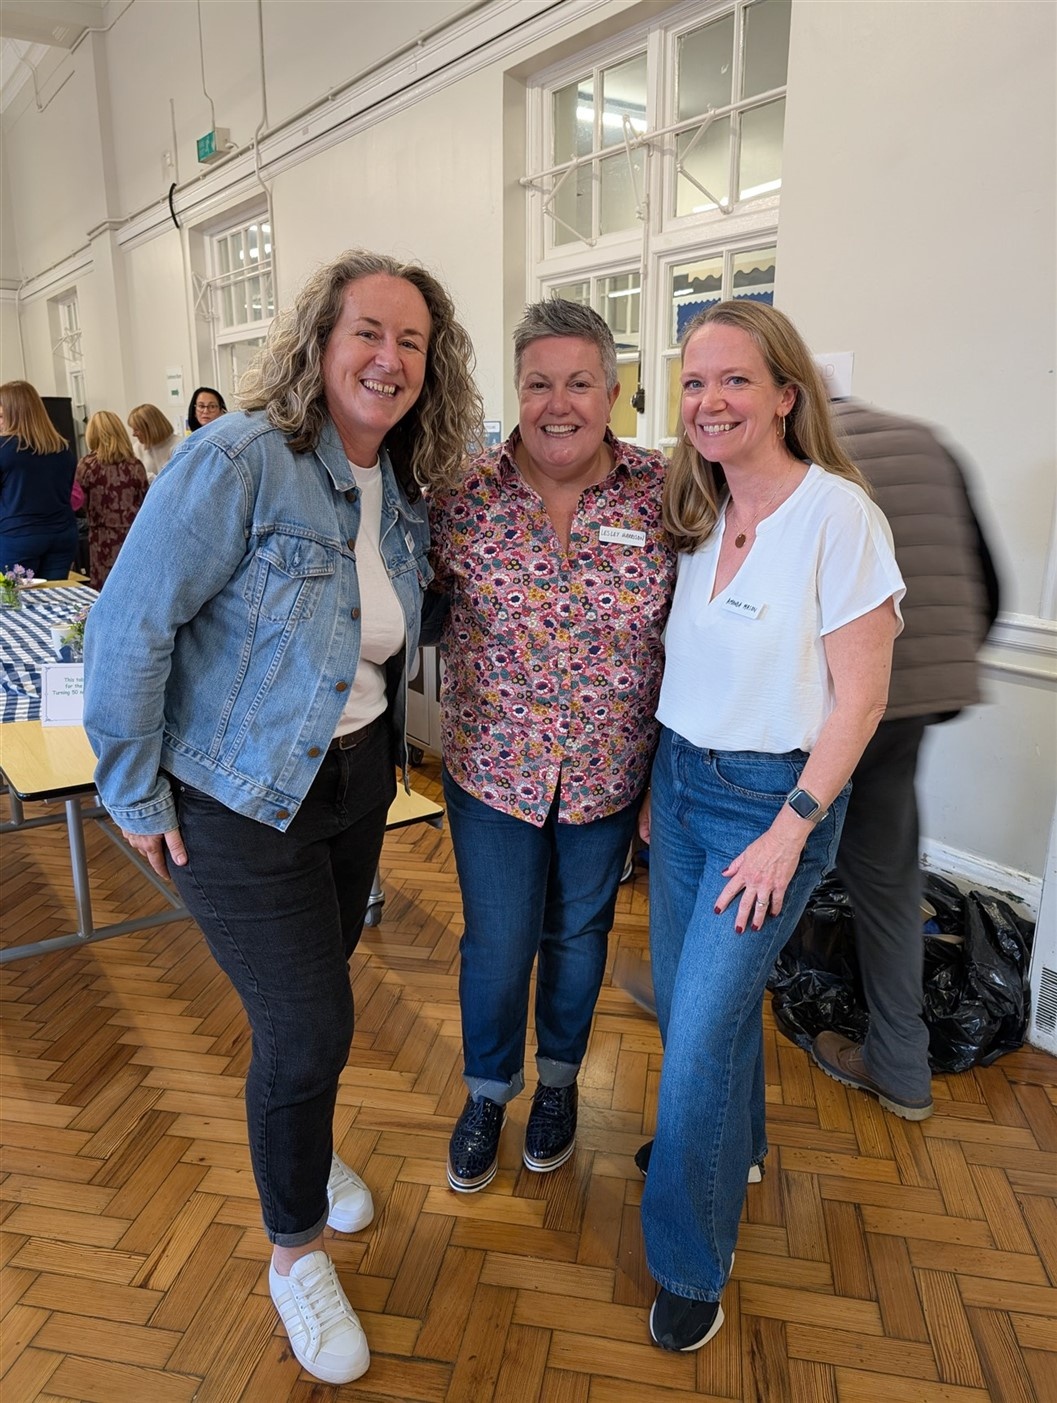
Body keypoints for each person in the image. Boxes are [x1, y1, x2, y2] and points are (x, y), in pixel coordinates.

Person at [83, 250, 482, 1386]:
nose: (389, 358)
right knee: (309, 1028)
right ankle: (293, 1249)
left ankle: (302, 1149)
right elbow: (130, 623)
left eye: (412, 341)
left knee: (313, 1004)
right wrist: (131, 787)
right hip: (236, 794)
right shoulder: (241, 457)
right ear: (319, 341)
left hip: (355, 785)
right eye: (369, 332)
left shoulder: (397, 477)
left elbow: (388, 630)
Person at [638, 301, 904, 1353]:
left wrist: (792, 827)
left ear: (787, 394)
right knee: (689, 1010)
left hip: (769, 804)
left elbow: (861, 700)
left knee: (698, 1038)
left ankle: (688, 1260)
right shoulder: (699, 509)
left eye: (735, 379)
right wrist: (658, 786)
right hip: (681, 780)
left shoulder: (838, 516)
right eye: (694, 382)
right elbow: (692, 669)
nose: (709, 401)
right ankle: (727, 1145)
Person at [428, 299, 676, 1194]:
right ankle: (487, 1091)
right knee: (497, 945)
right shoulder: (460, 498)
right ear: (516, 391)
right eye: (538, 383)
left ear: (613, 391)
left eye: (578, 383)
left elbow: (699, 635)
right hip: (493, 773)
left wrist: (668, 777)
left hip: (610, 775)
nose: (557, 403)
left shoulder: (666, 494)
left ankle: (560, 1085)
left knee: (577, 936)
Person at [809, 395, 999, 1119]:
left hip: (833, 704)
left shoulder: (803, 449)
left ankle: (692, 1006)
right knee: (887, 883)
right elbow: (990, 582)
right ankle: (899, 1064)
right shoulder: (927, 440)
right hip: (914, 697)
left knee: (761, 859)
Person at [0, 379, 77, 578]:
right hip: (62, 535)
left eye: (0, 416)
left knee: (12, 597)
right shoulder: (62, 448)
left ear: (13, 414)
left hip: (18, 537)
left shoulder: (4, 448)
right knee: (52, 595)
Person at [76, 411, 149, 588]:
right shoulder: (135, 465)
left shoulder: (87, 465)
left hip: (101, 539)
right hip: (132, 535)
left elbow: (79, 503)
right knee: (133, 584)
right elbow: (145, 500)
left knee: (105, 587)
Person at [128, 403, 182, 483]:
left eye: (136, 430)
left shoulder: (179, 446)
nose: (133, 434)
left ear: (150, 428)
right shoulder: (137, 448)